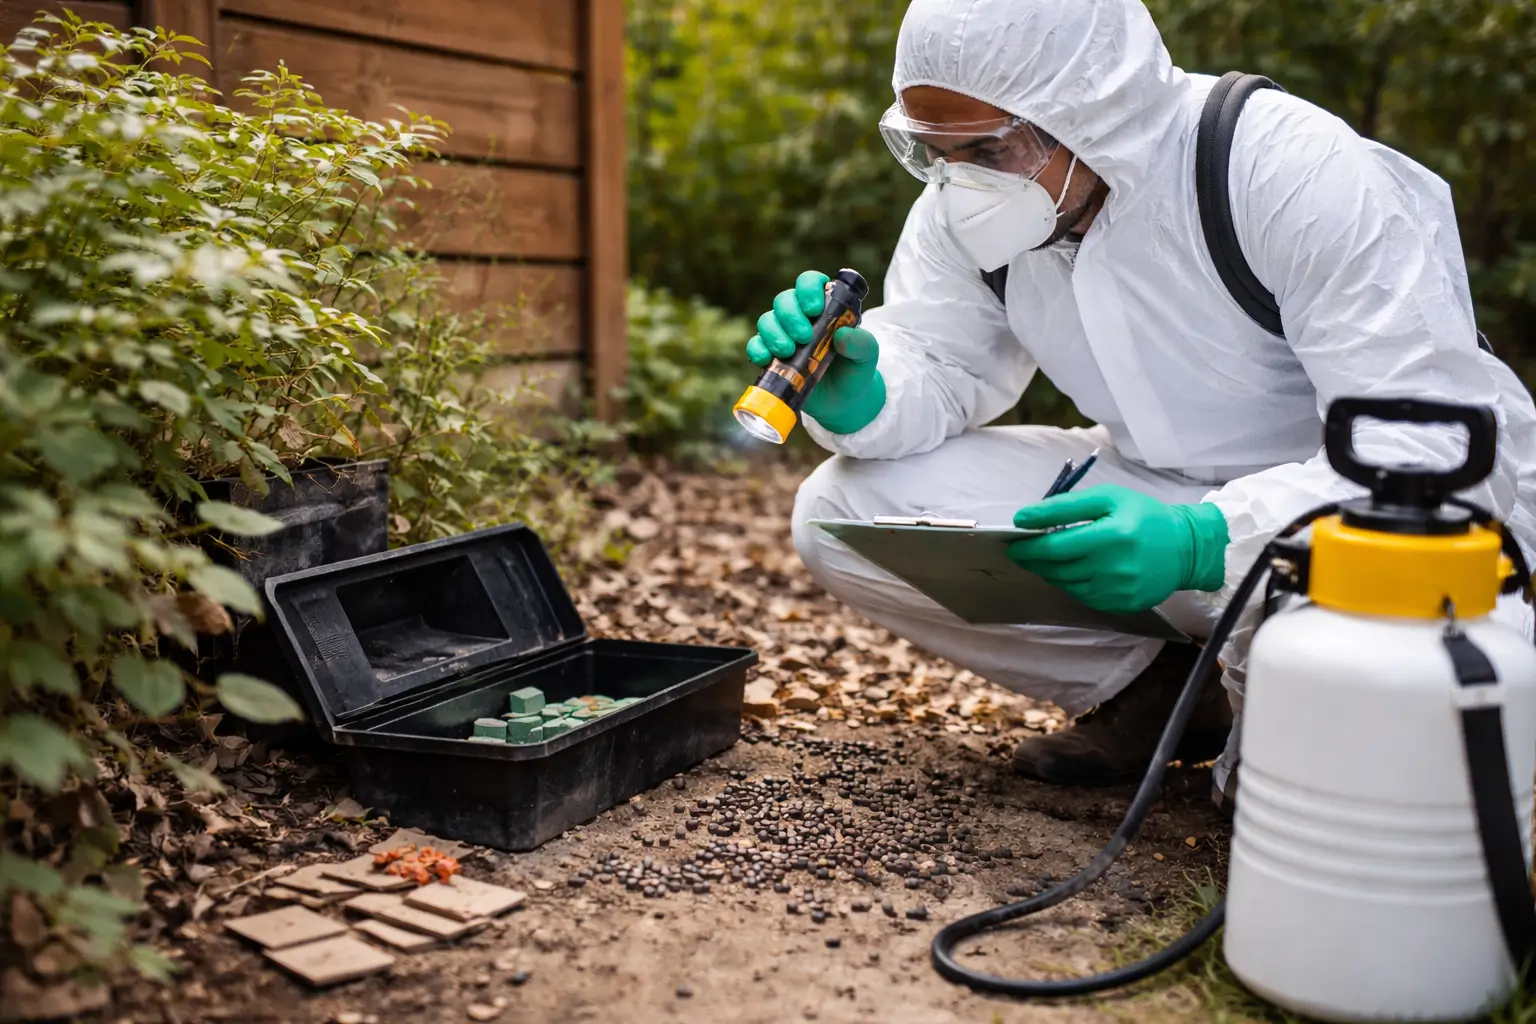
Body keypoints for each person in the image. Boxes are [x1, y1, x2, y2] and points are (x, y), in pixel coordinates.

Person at [749, 0, 1536, 803]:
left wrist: (1207, 540)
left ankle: (1265, 705)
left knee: (1339, 796)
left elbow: (1432, 456)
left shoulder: (1282, 169)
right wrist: (867, 394)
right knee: (846, 512)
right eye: (934, 152)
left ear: (1088, 112)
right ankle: (1164, 694)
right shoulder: (969, 210)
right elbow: (943, 360)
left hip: (1363, 519)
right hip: (1159, 493)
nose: (960, 182)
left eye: (987, 148)